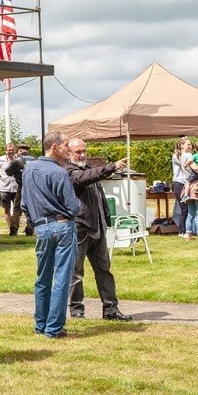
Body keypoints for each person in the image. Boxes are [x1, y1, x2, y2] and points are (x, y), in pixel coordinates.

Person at [63, 138, 133, 322]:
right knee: (76, 273)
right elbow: (83, 179)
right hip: (80, 228)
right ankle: (76, 310)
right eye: (78, 152)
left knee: (104, 270)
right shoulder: (68, 171)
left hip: (98, 227)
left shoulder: (87, 169)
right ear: (68, 153)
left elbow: (92, 179)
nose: (83, 154)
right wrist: (111, 167)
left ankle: (111, 309)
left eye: (84, 151)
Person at [20, 130, 82, 339]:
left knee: (42, 278)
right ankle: (54, 329)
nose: (68, 149)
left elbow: (23, 204)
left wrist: (36, 223)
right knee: (62, 278)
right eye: (65, 145)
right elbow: (73, 207)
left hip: (41, 227)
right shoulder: (60, 172)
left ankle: (41, 326)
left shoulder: (28, 170)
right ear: (54, 147)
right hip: (62, 226)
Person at [0, 143, 21, 236]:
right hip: (4, 187)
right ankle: (11, 228)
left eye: (12, 149)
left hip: (16, 188)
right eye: (9, 150)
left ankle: (15, 227)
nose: (11, 151)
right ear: (5, 151)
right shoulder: (0, 160)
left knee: (18, 209)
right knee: (7, 209)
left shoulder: (19, 159)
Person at [4, 145, 37, 236]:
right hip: (34, 188)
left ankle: (14, 230)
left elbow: (8, 172)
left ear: (19, 150)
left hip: (22, 187)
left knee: (17, 209)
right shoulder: (36, 159)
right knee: (32, 208)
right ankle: (30, 229)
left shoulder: (17, 160)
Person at [170, 137, 192, 237]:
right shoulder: (176, 156)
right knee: (184, 207)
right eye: (188, 144)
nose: (190, 146)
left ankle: (185, 230)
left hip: (187, 183)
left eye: (191, 145)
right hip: (179, 183)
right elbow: (184, 164)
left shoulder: (189, 155)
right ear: (181, 145)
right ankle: (182, 231)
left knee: (186, 207)